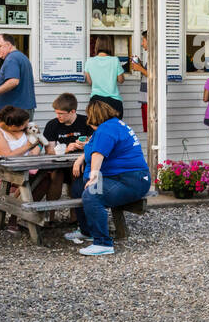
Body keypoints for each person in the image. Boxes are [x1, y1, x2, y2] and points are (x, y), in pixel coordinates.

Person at [64, 99, 150, 257]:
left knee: (93, 194)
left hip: (130, 179)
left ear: (94, 116)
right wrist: (81, 157)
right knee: (77, 188)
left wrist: (93, 177)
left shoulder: (106, 129)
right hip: (124, 177)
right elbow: (94, 147)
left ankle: (102, 243)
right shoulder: (113, 125)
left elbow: (98, 153)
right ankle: (87, 231)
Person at [32, 93, 93, 203]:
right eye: (56, 113)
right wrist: (66, 149)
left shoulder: (86, 122)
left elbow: (95, 143)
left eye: (61, 113)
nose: (58, 116)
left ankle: (75, 213)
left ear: (72, 111)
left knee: (77, 176)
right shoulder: (52, 124)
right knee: (56, 176)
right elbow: (49, 151)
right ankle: (50, 212)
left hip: (81, 162)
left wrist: (86, 144)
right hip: (59, 163)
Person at [0, 34, 36, 119]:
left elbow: (13, 81)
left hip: (14, 111)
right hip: (24, 108)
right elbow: (19, 80)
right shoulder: (21, 57)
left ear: (8, 45)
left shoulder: (11, 59)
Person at [132, 31, 151, 133]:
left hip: (151, 101)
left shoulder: (157, 57)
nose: (142, 43)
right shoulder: (151, 57)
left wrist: (139, 68)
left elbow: (156, 76)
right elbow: (150, 74)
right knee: (148, 130)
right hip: (146, 99)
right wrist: (140, 66)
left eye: (143, 41)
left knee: (152, 129)